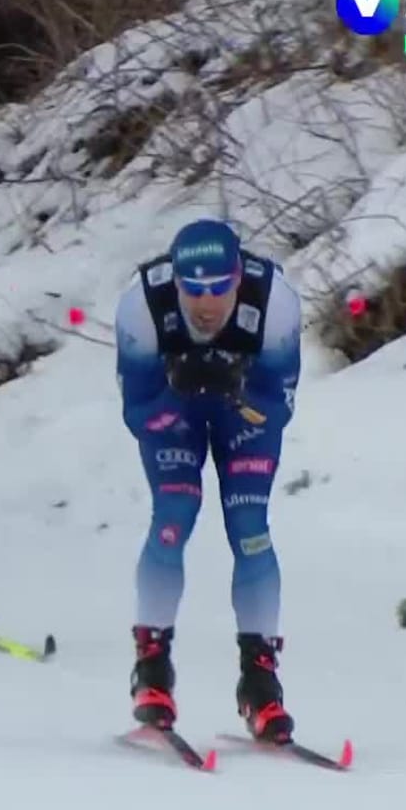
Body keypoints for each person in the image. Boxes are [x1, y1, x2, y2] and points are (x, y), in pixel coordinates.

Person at [114, 218, 303, 743]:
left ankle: (260, 680)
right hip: (172, 415)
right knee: (174, 515)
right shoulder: (141, 308)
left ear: (239, 277)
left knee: (250, 528)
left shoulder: (275, 303)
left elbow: (279, 411)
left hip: (243, 416)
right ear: (174, 283)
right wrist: (176, 391)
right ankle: (152, 669)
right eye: (192, 289)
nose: (206, 303)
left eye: (220, 288)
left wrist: (236, 390)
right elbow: (137, 416)